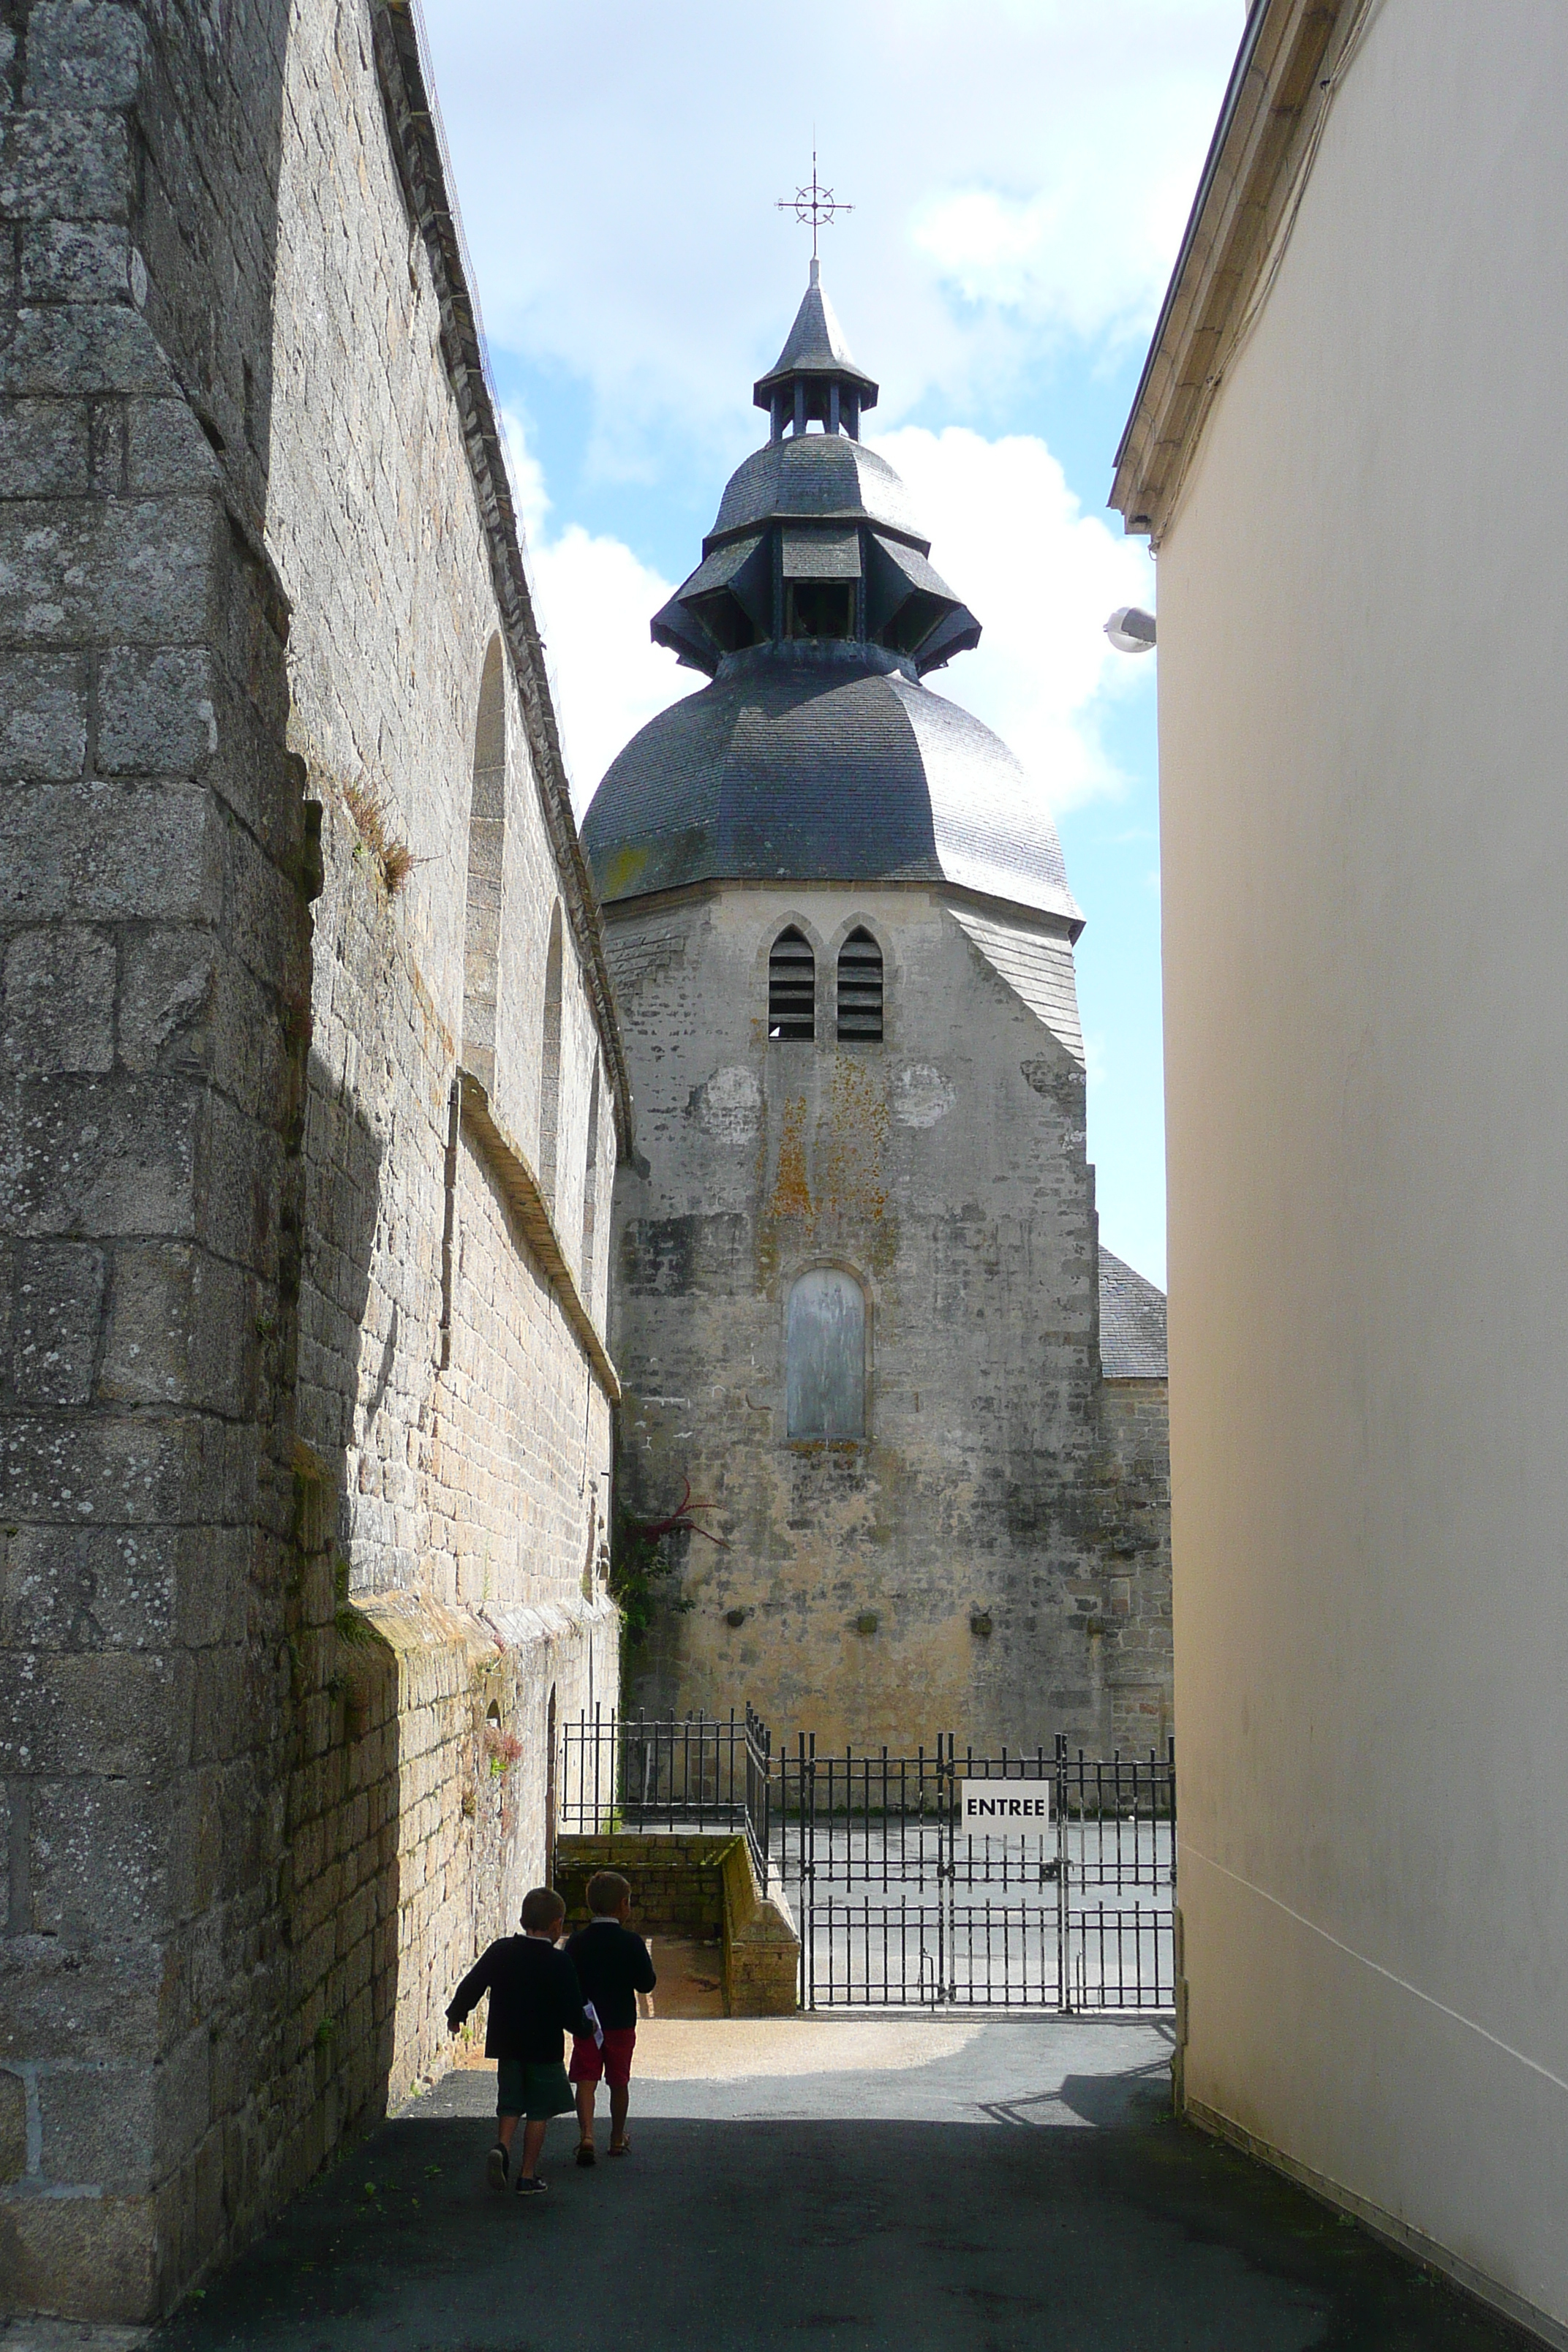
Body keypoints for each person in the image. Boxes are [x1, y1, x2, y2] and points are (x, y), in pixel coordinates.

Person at [445, 1884, 591, 2198]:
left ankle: (502, 2146)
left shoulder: (501, 1951)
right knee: (538, 2111)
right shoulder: (560, 1963)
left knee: (510, 2102)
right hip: (544, 2048)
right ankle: (527, 2175)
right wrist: (586, 2029)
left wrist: (456, 2014)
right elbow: (571, 2011)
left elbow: (473, 1983)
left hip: (507, 2044)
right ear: (556, 1925)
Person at [565, 1869, 657, 2165]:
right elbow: (646, 1983)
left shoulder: (577, 1942)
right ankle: (617, 2138)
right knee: (619, 2082)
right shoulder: (631, 1942)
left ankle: (587, 2136)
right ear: (622, 1905)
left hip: (587, 2021)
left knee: (586, 2079)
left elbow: (569, 1981)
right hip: (620, 2021)